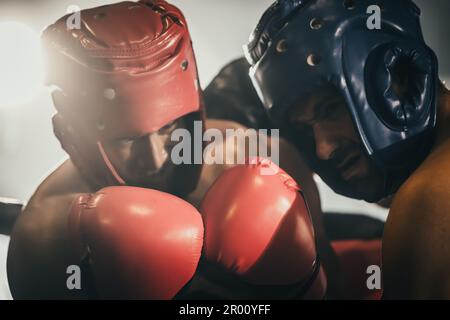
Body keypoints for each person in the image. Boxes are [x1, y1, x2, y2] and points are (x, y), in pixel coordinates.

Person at [7, 0, 331, 299]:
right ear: (73, 132)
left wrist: (301, 285)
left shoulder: (260, 158)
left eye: (169, 129)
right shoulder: (45, 239)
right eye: (125, 140)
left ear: (195, 111)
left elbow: (338, 289)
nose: (156, 157)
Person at [246, 0, 450, 298]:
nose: (323, 150)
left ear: (397, 74)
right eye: (305, 129)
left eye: (330, 110)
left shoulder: (426, 205)